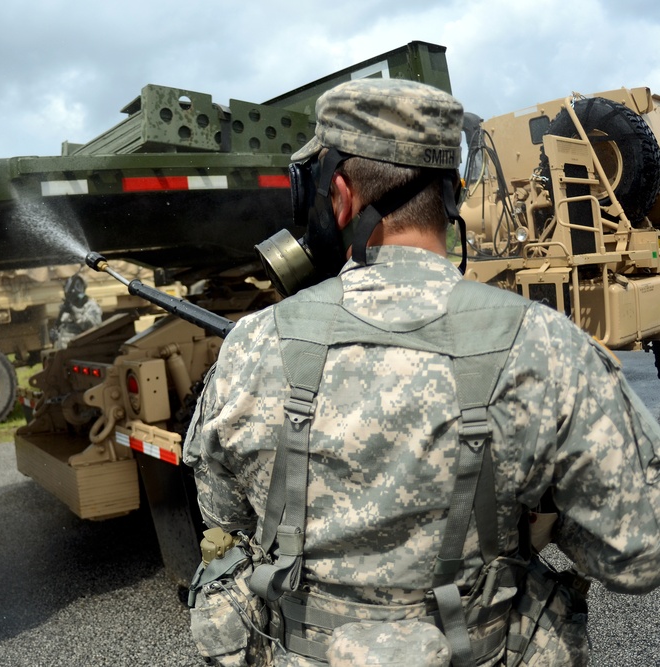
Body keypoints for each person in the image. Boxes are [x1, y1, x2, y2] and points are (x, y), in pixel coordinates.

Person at [183, 78, 660, 667]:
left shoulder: (253, 343)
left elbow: (224, 520)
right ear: (454, 195)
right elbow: (639, 555)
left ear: (338, 192)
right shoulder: (544, 343)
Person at [49, 273, 102, 349]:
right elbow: (62, 328)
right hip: (64, 353)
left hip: (80, 351)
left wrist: (74, 312)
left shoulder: (90, 305)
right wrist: (55, 335)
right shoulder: (67, 306)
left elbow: (94, 327)